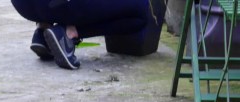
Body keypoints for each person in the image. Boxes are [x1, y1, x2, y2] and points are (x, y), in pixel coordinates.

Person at [11, 0, 157, 70]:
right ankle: (70, 33)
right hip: (58, 4)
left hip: (23, 5)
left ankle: (43, 32)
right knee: (140, 9)